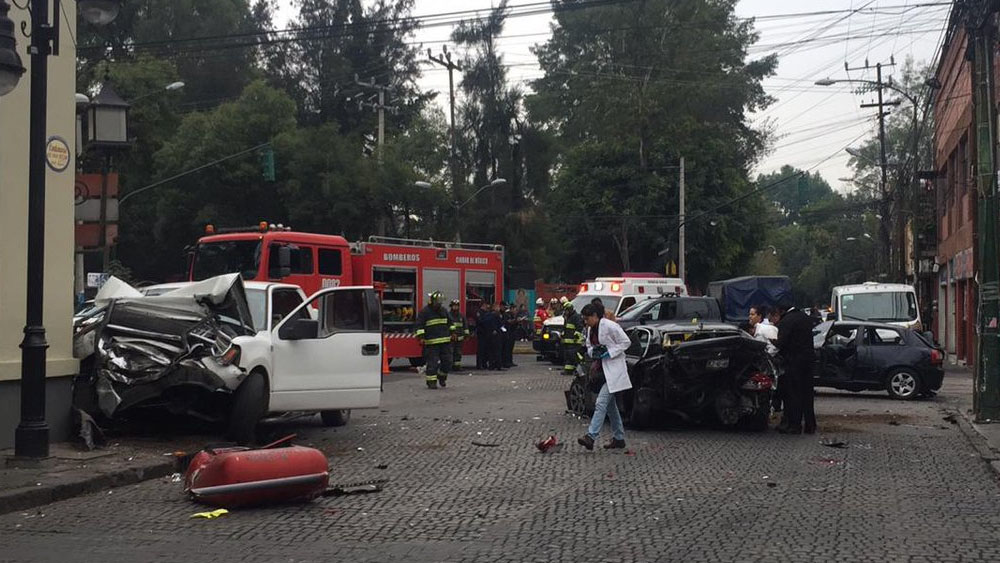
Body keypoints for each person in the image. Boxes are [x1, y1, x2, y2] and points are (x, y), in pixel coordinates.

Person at [577, 304, 632, 450]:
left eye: (587, 318)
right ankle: (619, 438)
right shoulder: (591, 329)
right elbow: (589, 346)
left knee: (601, 402)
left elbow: (626, 342)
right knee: (610, 407)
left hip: (614, 370)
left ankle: (591, 436)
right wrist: (593, 352)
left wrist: (610, 352)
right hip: (602, 370)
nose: (585, 321)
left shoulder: (610, 326)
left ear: (595, 316)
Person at [775, 302, 817, 434]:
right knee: (807, 394)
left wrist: (773, 342)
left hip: (793, 362)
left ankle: (794, 425)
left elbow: (782, 342)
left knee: (793, 394)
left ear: (781, 311)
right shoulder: (805, 317)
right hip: (808, 361)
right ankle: (810, 425)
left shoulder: (787, 321)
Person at [416, 292, 452, 389]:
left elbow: (450, 323)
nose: (439, 304)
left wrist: (453, 333)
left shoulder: (444, 311)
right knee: (432, 363)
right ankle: (431, 382)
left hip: (445, 342)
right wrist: (421, 337)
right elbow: (419, 326)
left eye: (440, 302)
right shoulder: (425, 312)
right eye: (437, 302)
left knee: (448, 361)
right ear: (432, 301)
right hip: (431, 343)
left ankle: (442, 376)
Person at [561, 301, 583, 376]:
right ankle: (568, 370)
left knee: (574, 356)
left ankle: (578, 370)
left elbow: (579, 326)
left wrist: (576, 334)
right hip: (568, 342)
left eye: (566, 310)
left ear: (570, 309)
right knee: (568, 356)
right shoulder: (567, 317)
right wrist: (563, 334)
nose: (565, 312)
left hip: (574, 342)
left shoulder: (576, 317)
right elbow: (566, 328)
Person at [448, 299, 470, 371]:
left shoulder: (461, 316)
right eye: (454, 306)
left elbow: (465, 326)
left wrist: (467, 335)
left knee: (458, 352)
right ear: (451, 306)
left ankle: (457, 366)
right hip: (450, 338)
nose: (455, 307)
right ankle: (449, 366)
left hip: (460, 338)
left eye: (457, 306)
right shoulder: (448, 315)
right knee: (450, 352)